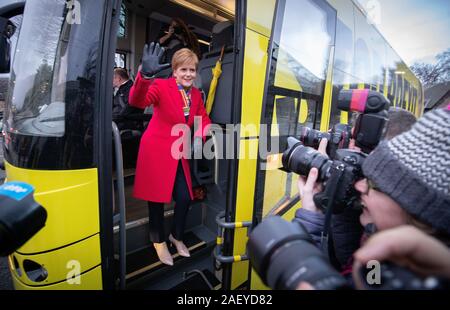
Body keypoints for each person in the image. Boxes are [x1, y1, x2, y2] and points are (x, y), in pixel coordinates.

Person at [294, 108, 450, 275]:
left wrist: (307, 234)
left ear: (416, 203)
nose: (359, 186)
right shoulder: (384, 259)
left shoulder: (395, 274)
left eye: (374, 182)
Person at [129, 43, 211, 266]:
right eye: (183, 69)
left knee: (185, 197)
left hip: (179, 153)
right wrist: (144, 75)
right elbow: (137, 101)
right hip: (156, 151)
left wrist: (201, 136)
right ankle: (158, 241)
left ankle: (177, 236)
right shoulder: (160, 86)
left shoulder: (195, 94)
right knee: (156, 200)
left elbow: (202, 118)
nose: (188, 74)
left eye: (192, 70)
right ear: (174, 71)